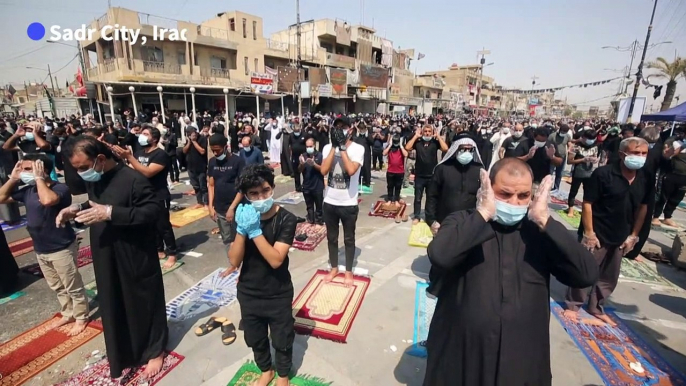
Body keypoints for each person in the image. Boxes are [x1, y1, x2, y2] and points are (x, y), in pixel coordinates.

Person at [424, 159, 598, 386]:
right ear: (487, 189)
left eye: (523, 196)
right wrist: (484, 213)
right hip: (463, 353)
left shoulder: (539, 230)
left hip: (520, 356)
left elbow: (586, 274)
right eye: (504, 194)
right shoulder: (463, 221)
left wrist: (546, 219)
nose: (514, 202)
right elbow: (441, 256)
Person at [58, 136, 168, 378]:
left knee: (143, 301)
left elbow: (152, 211)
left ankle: (154, 349)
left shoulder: (133, 179)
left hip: (134, 254)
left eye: (83, 167)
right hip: (106, 252)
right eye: (77, 169)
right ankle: (125, 351)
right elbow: (94, 202)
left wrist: (111, 213)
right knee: (114, 301)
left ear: (100, 159)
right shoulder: (98, 180)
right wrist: (75, 209)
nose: (81, 173)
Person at [0, 153, 89, 336]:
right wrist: (13, 178)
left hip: (61, 247)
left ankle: (81, 316)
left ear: (43, 170)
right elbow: (1, 197)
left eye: (27, 169)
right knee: (56, 285)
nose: (24, 173)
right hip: (41, 248)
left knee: (72, 284)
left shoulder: (60, 188)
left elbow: (48, 200)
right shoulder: (28, 190)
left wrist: (39, 179)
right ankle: (68, 312)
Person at [564, 137, 650, 326]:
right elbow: (588, 204)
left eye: (644, 153)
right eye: (636, 153)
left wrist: (634, 235)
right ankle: (573, 305)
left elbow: (643, 207)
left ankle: (596, 306)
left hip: (622, 235)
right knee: (585, 269)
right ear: (622, 154)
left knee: (609, 276)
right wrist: (589, 232)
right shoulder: (603, 174)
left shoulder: (646, 177)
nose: (640, 157)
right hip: (598, 231)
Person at [229, 164, 297, 386]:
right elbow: (234, 260)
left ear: (273, 188)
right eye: (254, 194)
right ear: (246, 196)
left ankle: (283, 374)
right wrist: (241, 229)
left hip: (277, 292)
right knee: (256, 337)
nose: (261, 197)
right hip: (249, 292)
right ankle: (265, 369)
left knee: (282, 338)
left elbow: (276, 259)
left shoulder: (286, 219)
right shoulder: (243, 215)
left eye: (265, 191)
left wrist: (255, 231)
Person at [112, 126, 178, 269]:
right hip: (143, 195)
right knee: (150, 225)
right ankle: (159, 249)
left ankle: (172, 252)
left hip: (159, 195)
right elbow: (131, 169)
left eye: (145, 134)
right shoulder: (139, 153)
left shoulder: (160, 155)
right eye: (141, 133)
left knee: (163, 226)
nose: (141, 136)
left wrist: (129, 157)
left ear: (154, 138)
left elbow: (147, 172)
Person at [320, 117, 365, 286]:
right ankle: (333, 267)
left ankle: (348, 271)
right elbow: (324, 170)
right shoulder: (327, 148)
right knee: (332, 238)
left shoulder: (358, 148)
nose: (340, 130)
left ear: (350, 130)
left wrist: (343, 148)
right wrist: (334, 146)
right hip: (330, 201)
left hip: (348, 203)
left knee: (348, 238)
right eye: (337, 127)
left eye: (343, 127)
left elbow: (352, 170)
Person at [426, 136, 484, 236]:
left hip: (470, 223)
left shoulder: (479, 169)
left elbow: (484, 197)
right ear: (456, 149)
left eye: (470, 149)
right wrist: (431, 220)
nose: (467, 152)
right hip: (444, 221)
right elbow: (432, 195)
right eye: (463, 149)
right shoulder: (442, 168)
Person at [208, 134, 245, 274]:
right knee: (227, 240)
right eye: (213, 150)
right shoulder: (212, 162)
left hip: (237, 208)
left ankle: (244, 267)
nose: (216, 153)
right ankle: (233, 265)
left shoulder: (238, 161)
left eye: (218, 150)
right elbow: (211, 185)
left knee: (240, 238)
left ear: (226, 147)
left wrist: (232, 208)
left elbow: (242, 187)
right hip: (220, 208)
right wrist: (210, 207)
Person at [627, 126, 663, 259]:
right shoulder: (633, 146)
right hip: (631, 183)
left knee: (643, 218)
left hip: (646, 186)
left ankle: (634, 249)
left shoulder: (657, 151)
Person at [404, 124, 449, 224]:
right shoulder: (418, 142)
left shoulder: (435, 142)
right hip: (419, 175)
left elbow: (445, 149)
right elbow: (407, 147)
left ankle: (430, 217)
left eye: (429, 131)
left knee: (431, 198)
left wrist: (438, 137)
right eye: (425, 131)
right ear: (422, 132)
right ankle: (417, 216)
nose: (427, 133)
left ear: (432, 132)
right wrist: (416, 136)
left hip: (432, 175)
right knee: (418, 198)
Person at [652, 127, 686, 228]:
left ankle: (668, 217)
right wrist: (678, 148)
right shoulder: (675, 142)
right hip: (671, 173)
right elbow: (666, 155)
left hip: (684, 176)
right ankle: (656, 216)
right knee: (663, 196)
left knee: (677, 197)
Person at [566, 129, 599, 217]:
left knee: (588, 192)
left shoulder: (595, 147)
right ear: (583, 138)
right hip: (578, 172)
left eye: (593, 139)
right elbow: (569, 161)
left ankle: (585, 209)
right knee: (574, 190)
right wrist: (583, 159)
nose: (590, 141)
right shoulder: (576, 147)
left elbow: (595, 157)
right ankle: (571, 208)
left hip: (589, 172)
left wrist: (594, 160)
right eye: (588, 138)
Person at [298, 137, 324, 224]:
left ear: (314, 145)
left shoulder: (319, 155)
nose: (308, 148)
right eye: (307, 146)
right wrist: (302, 164)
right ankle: (311, 219)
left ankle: (319, 220)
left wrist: (314, 164)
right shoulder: (303, 156)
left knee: (319, 206)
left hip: (317, 186)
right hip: (307, 186)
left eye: (310, 146)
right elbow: (299, 170)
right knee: (309, 206)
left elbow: (323, 170)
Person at [382, 131, 408, 221]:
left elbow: (406, 154)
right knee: (390, 186)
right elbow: (384, 153)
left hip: (399, 171)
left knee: (397, 186)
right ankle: (389, 199)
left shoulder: (401, 149)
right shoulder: (390, 148)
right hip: (390, 170)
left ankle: (396, 199)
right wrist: (390, 145)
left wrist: (400, 145)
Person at [183, 126, 209, 208]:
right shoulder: (188, 140)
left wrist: (194, 142)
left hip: (201, 166)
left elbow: (202, 151)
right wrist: (189, 142)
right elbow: (184, 151)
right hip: (191, 167)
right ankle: (199, 202)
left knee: (203, 186)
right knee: (196, 186)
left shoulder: (202, 139)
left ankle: (206, 203)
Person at [352, 121, 373, 189]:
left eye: (363, 128)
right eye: (360, 128)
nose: (362, 130)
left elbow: (372, 142)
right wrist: (357, 133)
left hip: (366, 154)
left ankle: (367, 182)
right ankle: (357, 181)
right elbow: (353, 141)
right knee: (358, 169)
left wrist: (366, 134)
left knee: (366, 168)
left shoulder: (368, 135)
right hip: (357, 154)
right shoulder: (356, 135)